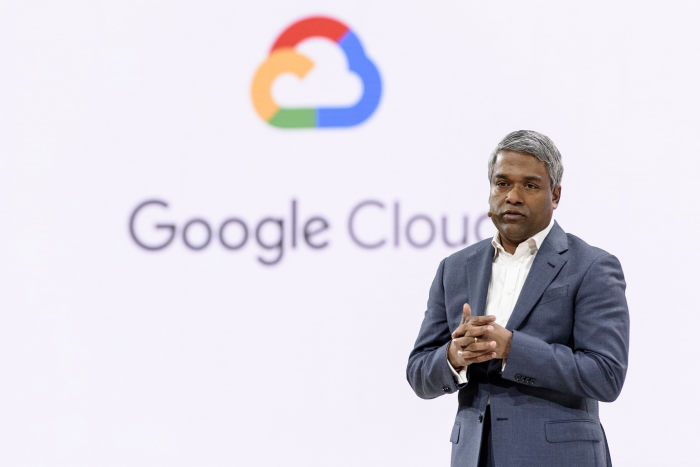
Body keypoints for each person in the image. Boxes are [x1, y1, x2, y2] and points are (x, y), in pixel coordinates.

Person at [406, 130, 629, 467]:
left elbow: (605, 375)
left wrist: (512, 348)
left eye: (530, 185)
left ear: (555, 195)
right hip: (475, 456)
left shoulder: (591, 266)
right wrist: (454, 356)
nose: (512, 196)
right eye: (502, 183)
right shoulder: (455, 268)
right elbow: (419, 372)